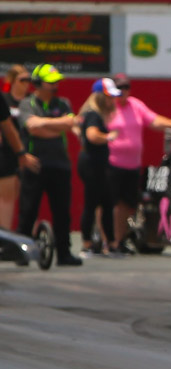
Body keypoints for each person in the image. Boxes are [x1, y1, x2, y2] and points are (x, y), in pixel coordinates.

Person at [106, 73, 171, 255]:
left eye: (126, 87)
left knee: (128, 205)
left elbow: (154, 120)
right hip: (111, 163)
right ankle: (106, 242)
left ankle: (118, 241)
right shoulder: (107, 106)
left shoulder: (135, 105)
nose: (123, 91)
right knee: (110, 204)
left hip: (132, 165)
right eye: (119, 88)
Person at [17, 64, 82, 266]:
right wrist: (57, 125)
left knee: (62, 212)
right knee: (28, 210)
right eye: (50, 82)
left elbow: (71, 123)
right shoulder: (27, 104)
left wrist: (44, 123)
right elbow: (32, 127)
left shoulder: (63, 103)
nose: (55, 86)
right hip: (35, 164)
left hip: (60, 164)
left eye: (56, 82)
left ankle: (64, 253)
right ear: (38, 83)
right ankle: (23, 253)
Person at [77, 78, 120, 257]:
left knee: (107, 203)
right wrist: (109, 137)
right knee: (92, 203)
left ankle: (110, 243)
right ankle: (87, 244)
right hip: (92, 165)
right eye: (109, 97)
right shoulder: (93, 114)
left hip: (99, 164)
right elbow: (92, 135)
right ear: (100, 97)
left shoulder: (94, 115)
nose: (112, 101)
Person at [1, 65, 39, 230]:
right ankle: (5, 234)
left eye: (28, 80)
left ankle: (27, 234)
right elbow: (7, 128)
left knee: (28, 198)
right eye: (22, 80)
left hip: (28, 152)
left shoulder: (31, 101)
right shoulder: (5, 99)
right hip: (8, 154)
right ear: (12, 80)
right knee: (7, 197)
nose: (26, 83)